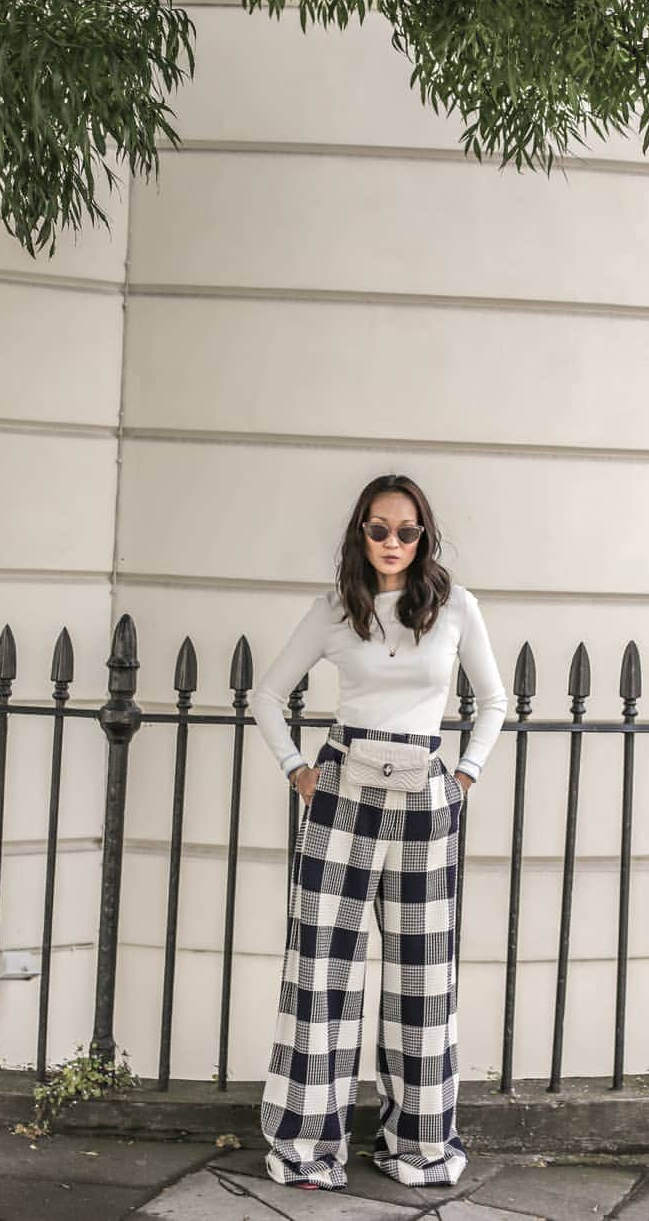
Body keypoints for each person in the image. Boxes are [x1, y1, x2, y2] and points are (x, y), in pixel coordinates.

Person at [250, 473, 508, 1192]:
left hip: (425, 798)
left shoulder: (455, 607)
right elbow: (268, 696)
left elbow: (494, 701)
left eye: (406, 530)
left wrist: (463, 779)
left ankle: (418, 1147)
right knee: (321, 976)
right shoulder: (334, 609)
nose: (392, 542)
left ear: (423, 536)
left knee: (423, 982)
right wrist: (301, 771)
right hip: (340, 792)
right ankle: (306, 1149)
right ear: (359, 533)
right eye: (378, 529)